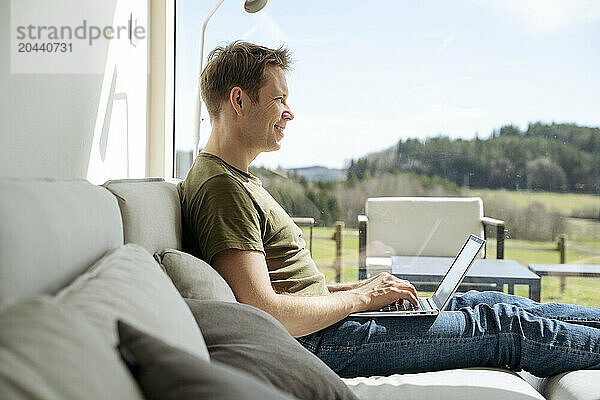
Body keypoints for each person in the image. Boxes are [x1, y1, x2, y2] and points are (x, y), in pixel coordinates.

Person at [178, 41, 600, 378]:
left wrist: (363, 292)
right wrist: (362, 300)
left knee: (485, 300)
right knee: (502, 325)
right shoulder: (221, 188)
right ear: (238, 100)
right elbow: (266, 312)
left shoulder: (234, 179)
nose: (290, 112)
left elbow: (291, 293)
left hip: (327, 329)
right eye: (279, 99)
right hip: (320, 345)